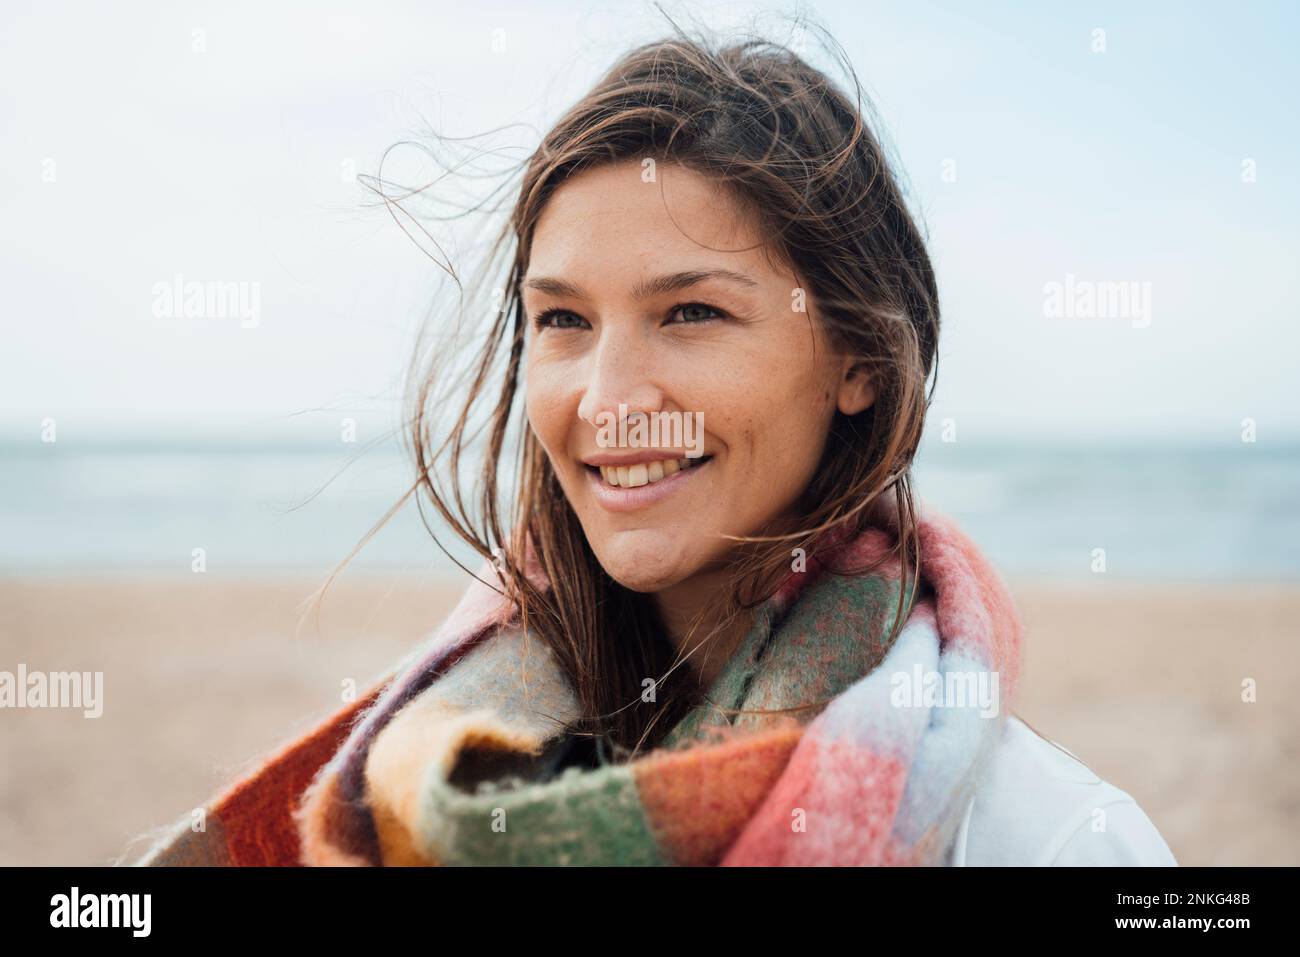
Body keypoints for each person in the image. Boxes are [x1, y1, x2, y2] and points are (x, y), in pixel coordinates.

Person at [135, 26, 1176, 868]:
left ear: (858, 355)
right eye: (562, 321)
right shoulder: (426, 768)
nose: (608, 398)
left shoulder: (1048, 841)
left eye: (689, 314)